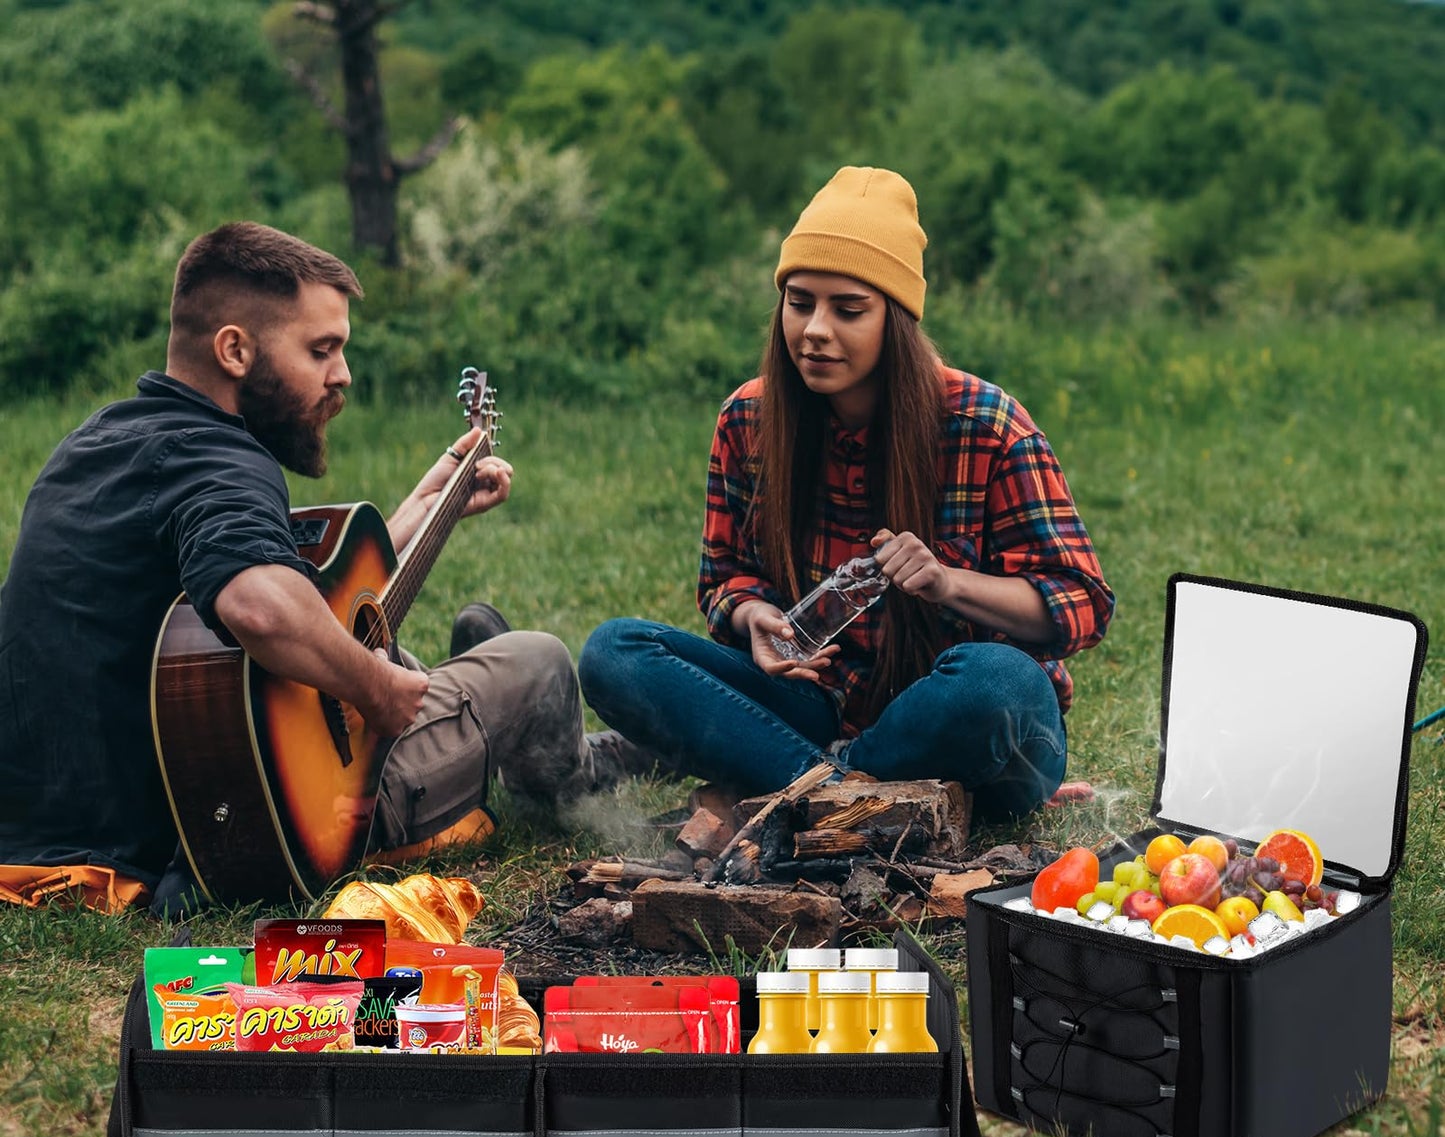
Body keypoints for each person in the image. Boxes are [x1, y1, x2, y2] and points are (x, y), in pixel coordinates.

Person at [0, 222, 638, 913]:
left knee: (388, 650)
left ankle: (482, 707)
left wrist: (425, 510)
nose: (343, 376)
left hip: (58, 831)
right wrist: (374, 688)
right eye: (321, 350)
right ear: (235, 350)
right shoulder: (223, 462)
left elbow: (276, 601)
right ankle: (572, 765)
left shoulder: (93, 445)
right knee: (535, 659)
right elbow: (260, 606)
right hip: (258, 819)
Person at [578, 167, 1115, 820]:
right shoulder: (748, 419)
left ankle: (779, 785)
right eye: (799, 301)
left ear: (896, 317)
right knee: (615, 652)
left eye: (848, 309)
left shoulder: (987, 425)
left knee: (996, 681)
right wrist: (754, 622)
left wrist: (948, 582)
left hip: (957, 723)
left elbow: (1082, 603)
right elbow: (724, 578)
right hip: (817, 707)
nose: (814, 330)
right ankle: (837, 797)